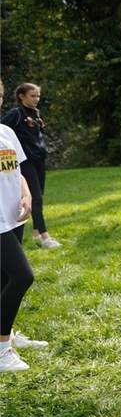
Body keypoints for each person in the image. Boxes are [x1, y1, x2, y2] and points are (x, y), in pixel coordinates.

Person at [0, 81, 48, 373]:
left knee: (4, 280)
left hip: (13, 217)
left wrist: (28, 197)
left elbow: (18, 172)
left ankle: (7, 335)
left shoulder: (6, 132)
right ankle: (2, 350)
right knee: (21, 277)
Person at [1, 83, 61, 248]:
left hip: (38, 161)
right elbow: (3, 129)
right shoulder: (16, 114)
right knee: (35, 198)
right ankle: (44, 237)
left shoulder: (35, 113)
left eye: (38, 96)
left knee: (38, 196)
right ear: (22, 96)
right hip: (24, 162)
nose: (36, 99)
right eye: (32, 96)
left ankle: (35, 232)